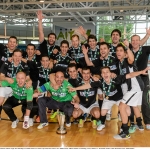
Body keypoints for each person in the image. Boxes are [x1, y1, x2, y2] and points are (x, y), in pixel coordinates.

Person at [69, 66, 150, 139]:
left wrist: (141, 72)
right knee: (103, 112)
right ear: (101, 74)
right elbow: (88, 85)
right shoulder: (100, 82)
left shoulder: (117, 79)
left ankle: (124, 127)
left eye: (107, 72)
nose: (105, 74)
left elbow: (130, 75)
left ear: (110, 73)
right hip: (108, 99)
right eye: (103, 72)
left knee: (128, 112)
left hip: (119, 99)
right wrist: (75, 89)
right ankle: (103, 124)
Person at [0, 49, 31, 119]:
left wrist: (29, 82)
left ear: (21, 57)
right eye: (15, 56)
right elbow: (1, 77)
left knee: (28, 95)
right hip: (8, 86)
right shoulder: (7, 63)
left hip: (18, 88)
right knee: (1, 92)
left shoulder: (24, 65)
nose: (17, 58)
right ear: (12, 56)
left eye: (19, 56)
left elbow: (28, 78)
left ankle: (25, 114)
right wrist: (7, 78)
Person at [131, 34, 150, 130]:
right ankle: (131, 121)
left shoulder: (145, 49)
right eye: (133, 40)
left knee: (145, 101)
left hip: (144, 78)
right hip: (133, 79)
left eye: (137, 40)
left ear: (140, 41)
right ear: (131, 42)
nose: (135, 42)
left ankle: (147, 121)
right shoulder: (129, 51)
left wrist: (148, 35)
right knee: (131, 100)